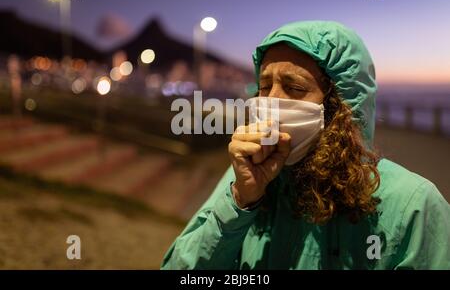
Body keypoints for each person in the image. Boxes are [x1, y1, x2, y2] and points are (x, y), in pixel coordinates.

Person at [161, 21, 450, 269]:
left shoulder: (413, 205)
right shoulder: (248, 176)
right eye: (264, 86)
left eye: (295, 88)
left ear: (341, 106)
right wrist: (241, 201)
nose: (272, 100)